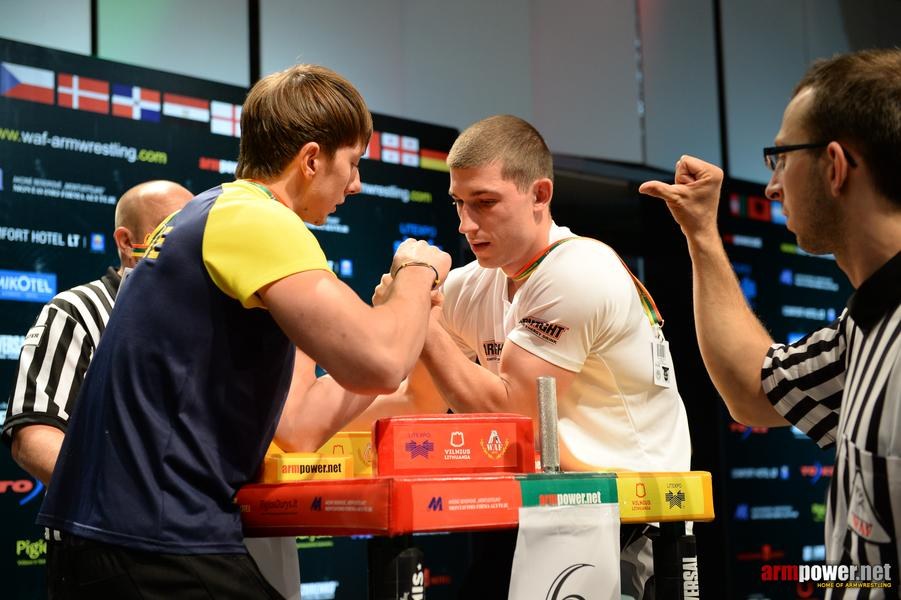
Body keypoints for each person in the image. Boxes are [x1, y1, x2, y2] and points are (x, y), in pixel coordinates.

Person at [35, 64, 450, 600]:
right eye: (352, 163)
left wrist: (391, 324)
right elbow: (381, 360)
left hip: (129, 541)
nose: (357, 183)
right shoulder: (253, 219)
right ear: (310, 159)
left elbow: (300, 426)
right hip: (152, 541)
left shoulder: (221, 216)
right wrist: (418, 271)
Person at [357, 114, 691, 599]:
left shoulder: (578, 270)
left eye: (485, 203)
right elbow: (418, 404)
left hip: (629, 524)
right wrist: (297, 435)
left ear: (539, 195)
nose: (466, 224)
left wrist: (421, 321)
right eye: (459, 203)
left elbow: (512, 415)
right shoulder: (475, 283)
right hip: (545, 514)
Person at [639, 48, 901, 589]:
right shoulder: (865, 330)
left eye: (782, 157)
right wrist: (702, 235)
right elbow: (754, 388)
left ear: (834, 165)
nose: (771, 185)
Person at [2, 180, 193, 483]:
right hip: (104, 525)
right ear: (127, 242)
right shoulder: (76, 310)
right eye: (172, 230)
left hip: (193, 525)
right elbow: (34, 435)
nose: (189, 242)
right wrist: (114, 498)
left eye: (196, 230)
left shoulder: (204, 321)